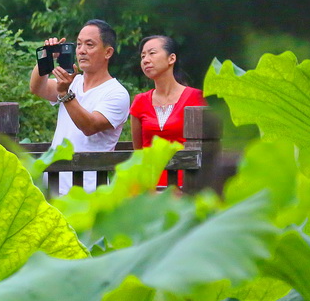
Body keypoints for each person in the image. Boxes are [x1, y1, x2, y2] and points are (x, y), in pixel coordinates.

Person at [30, 19, 130, 194]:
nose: (82, 51)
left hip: (89, 189)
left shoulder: (117, 93)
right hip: (53, 184)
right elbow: (37, 88)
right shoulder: (72, 82)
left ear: (108, 52)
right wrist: (46, 57)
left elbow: (90, 126)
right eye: (78, 44)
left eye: (89, 45)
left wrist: (65, 94)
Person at [128, 35, 207, 187]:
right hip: (150, 187)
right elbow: (138, 151)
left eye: (152, 53)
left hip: (187, 185)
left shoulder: (196, 98)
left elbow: (206, 148)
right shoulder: (140, 101)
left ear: (171, 58)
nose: (145, 60)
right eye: (143, 56)